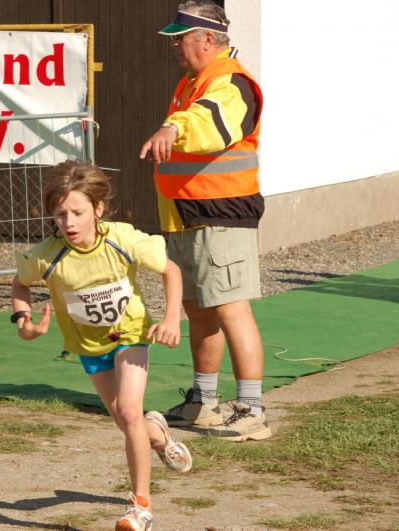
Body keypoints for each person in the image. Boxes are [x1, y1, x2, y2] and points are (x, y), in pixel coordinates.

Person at [11, 160, 191, 531]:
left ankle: (140, 507)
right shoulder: (48, 254)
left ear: (98, 208)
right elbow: (20, 282)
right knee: (128, 422)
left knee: (128, 410)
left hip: (130, 334)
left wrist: (172, 318)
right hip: (89, 346)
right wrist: (23, 320)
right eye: (60, 214)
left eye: (77, 212)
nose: (69, 223)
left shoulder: (122, 240)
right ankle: (158, 434)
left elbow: (170, 270)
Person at [139, 1, 271, 442]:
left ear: (208, 39)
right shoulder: (194, 81)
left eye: (181, 39)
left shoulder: (230, 82)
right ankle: (204, 402)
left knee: (231, 309)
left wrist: (173, 128)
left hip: (221, 213)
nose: (175, 47)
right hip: (188, 214)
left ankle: (252, 409)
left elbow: (208, 123)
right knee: (199, 311)